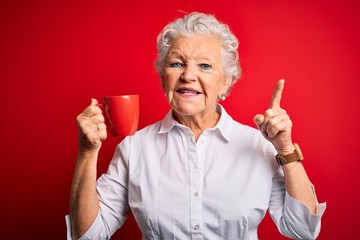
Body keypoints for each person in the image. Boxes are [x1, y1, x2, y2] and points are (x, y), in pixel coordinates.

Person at [66, 12, 326, 239]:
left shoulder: (259, 146)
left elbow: (303, 229)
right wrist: (88, 152)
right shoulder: (134, 148)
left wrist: (285, 149)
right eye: (177, 63)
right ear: (163, 77)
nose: (188, 75)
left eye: (205, 65)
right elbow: (88, 234)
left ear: (226, 83)